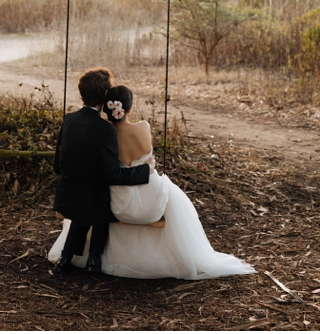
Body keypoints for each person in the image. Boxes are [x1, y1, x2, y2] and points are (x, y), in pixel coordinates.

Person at [48, 83, 255, 279]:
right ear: (128, 108)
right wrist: (146, 169)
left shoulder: (106, 132)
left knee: (99, 197)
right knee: (171, 193)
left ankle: (80, 257)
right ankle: (104, 257)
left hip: (118, 200)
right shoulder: (143, 127)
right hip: (148, 199)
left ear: (108, 108)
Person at [52, 68, 152, 273]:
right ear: (105, 96)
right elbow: (113, 174)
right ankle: (94, 260)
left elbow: (57, 166)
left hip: (67, 196)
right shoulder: (105, 129)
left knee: (87, 199)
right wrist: (144, 170)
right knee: (101, 200)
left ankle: (66, 256)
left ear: (81, 94)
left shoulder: (68, 120)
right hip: (92, 203)